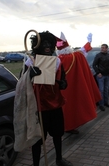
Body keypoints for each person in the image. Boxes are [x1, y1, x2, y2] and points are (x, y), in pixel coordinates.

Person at [23, 31, 72, 166]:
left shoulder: (57, 62)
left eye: (49, 43)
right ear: (37, 45)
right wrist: (29, 75)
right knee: (37, 139)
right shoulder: (30, 62)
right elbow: (22, 84)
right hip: (38, 106)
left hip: (55, 104)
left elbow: (64, 81)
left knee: (57, 135)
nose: (47, 45)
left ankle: (59, 159)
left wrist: (63, 84)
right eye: (44, 43)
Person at [56, 32, 101, 134]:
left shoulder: (57, 60)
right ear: (68, 48)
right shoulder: (75, 56)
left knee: (63, 109)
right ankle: (72, 125)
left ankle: (64, 127)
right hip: (73, 88)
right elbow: (83, 50)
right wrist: (89, 41)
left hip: (61, 89)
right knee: (74, 106)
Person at [93, 44, 109, 111]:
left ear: (107, 49)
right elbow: (94, 65)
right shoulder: (98, 56)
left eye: (104, 48)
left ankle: (106, 103)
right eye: (101, 48)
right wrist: (98, 72)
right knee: (101, 90)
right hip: (100, 76)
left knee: (106, 89)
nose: (102, 49)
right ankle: (101, 104)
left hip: (107, 75)